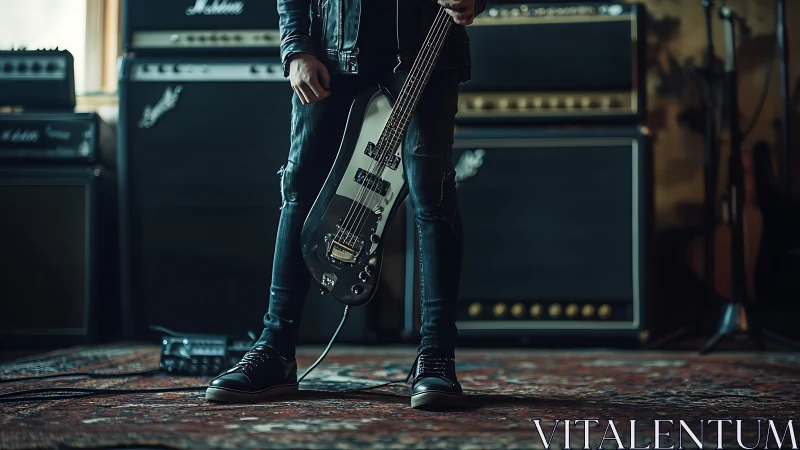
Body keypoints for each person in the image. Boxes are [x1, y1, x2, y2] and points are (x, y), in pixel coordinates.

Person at [206, 0, 486, 409]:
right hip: (331, 47)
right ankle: (275, 349)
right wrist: (296, 45)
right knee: (301, 185)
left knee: (433, 195)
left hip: (427, 44)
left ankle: (437, 355)